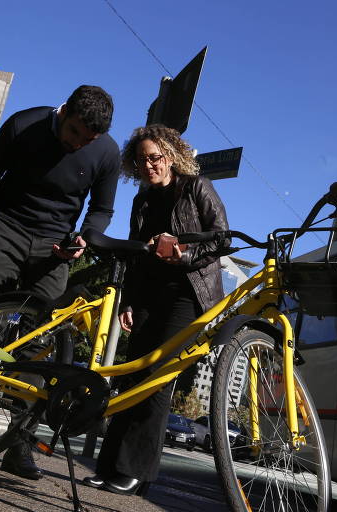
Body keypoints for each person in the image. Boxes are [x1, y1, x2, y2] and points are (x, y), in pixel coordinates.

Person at [0, 85, 121, 480]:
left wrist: (84, 239)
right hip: (6, 230)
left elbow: (101, 210)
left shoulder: (107, 153)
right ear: (65, 113)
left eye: (88, 139)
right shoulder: (24, 124)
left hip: (54, 250)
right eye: (75, 133)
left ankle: (19, 447)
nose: (78, 144)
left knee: (39, 348)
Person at [82, 125, 229, 495]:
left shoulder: (197, 186)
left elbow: (222, 238)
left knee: (157, 381)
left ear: (171, 155)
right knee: (131, 380)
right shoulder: (142, 200)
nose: (149, 165)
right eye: (141, 159)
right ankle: (109, 466)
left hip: (188, 295)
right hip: (149, 295)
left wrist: (184, 255)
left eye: (155, 157)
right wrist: (128, 301)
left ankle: (135, 472)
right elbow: (135, 255)